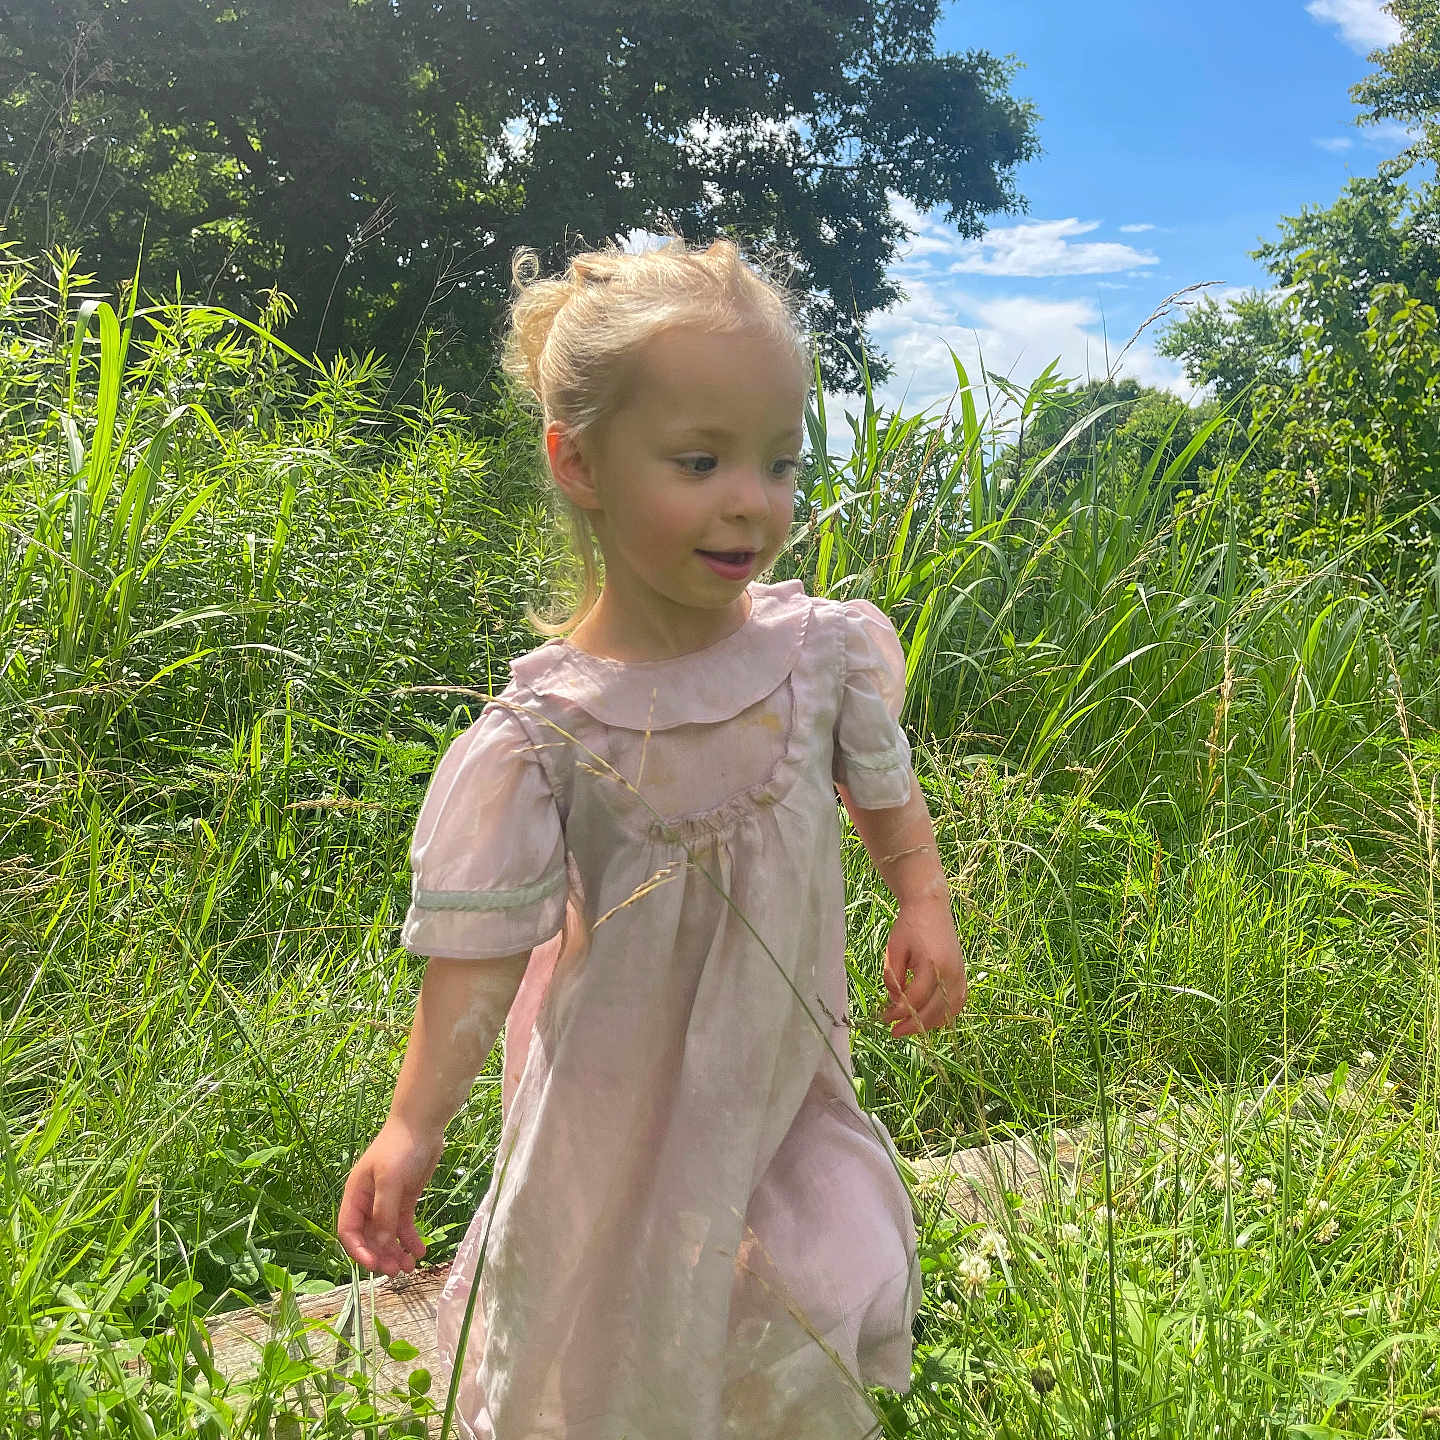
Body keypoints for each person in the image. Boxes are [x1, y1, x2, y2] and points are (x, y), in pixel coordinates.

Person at [337, 234, 968, 1440]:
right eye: (700, 460)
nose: (753, 499)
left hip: (785, 1076)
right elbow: (471, 971)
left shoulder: (817, 656)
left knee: (831, 1267)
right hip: (615, 1103)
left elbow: (883, 795)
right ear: (579, 464)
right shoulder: (546, 735)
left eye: (779, 462)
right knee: (602, 1320)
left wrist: (922, 901)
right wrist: (414, 1124)